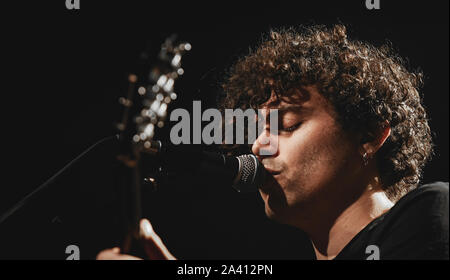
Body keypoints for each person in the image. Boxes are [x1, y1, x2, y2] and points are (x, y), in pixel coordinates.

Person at [97, 24, 448, 260]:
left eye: (287, 124)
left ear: (370, 134)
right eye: (259, 128)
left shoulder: (432, 212)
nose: (257, 146)